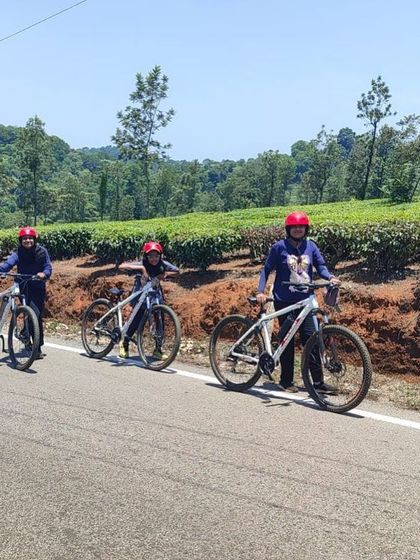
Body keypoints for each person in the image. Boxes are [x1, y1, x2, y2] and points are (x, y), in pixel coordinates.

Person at [256, 211, 340, 393]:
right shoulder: (279, 247)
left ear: (306, 229)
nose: (298, 230)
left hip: (305, 301)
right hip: (284, 301)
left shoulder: (311, 247)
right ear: (288, 229)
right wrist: (260, 291)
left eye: (301, 227)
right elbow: (267, 269)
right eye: (294, 227)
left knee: (312, 340)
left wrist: (330, 277)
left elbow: (321, 267)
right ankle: (286, 381)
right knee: (286, 341)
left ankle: (318, 384)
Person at [118, 241, 179, 359]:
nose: (154, 259)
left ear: (160, 256)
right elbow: (121, 266)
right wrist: (142, 269)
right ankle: (124, 343)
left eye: (156, 256)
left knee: (159, 320)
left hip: (155, 296)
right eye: (150, 256)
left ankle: (158, 349)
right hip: (141, 296)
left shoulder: (162, 264)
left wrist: (163, 275)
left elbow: (177, 271)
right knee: (137, 319)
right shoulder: (143, 263)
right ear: (146, 256)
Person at [0, 226, 52, 359]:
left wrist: (44, 274)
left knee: (36, 314)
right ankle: (26, 335)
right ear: (21, 240)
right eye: (24, 239)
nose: (27, 241)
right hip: (23, 285)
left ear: (34, 239)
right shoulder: (18, 253)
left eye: (30, 238)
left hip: (37, 286)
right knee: (29, 311)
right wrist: (2, 270)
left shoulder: (42, 252)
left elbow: (47, 267)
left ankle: (36, 346)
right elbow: (8, 264)